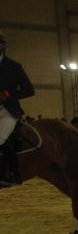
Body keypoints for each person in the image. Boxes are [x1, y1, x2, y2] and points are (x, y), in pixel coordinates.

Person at [0, 32, 35, 186]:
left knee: (0, 138)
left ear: (3, 46)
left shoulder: (14, 67)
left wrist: (9, 94)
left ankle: (15, 174)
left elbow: (29, 90)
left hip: (8, 111)